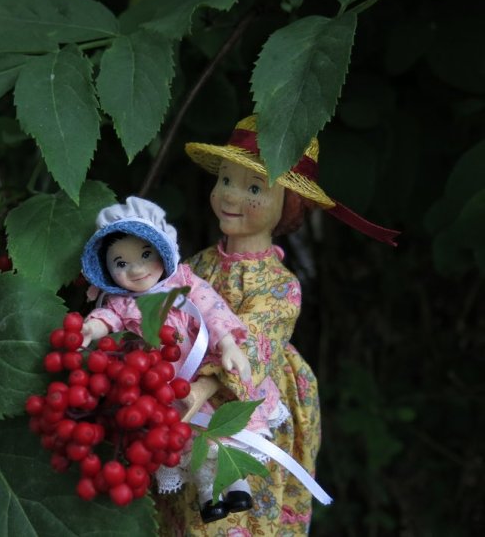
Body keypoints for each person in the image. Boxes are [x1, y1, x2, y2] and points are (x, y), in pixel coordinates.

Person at [156, 114, 398, 535]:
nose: (231, 196)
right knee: (182, 502)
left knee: (238, 497)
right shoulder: (197, 265)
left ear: (288, 204)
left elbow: (255, 339)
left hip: (248, 394)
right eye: (226, 181)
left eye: (253, 188)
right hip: (185, 388)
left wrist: (206, 384)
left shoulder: (280, 286)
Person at [80, 196, 288, 523]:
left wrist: (228, 343)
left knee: (225, 430)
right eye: (120, 264)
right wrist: (90, 328)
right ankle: (208, 496)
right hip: (161, 385)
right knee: (192, 444)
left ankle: (237, 484)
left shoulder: (185, 282)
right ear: (107, 271)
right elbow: (107, 318)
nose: (136, 269)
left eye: (145, 255)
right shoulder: (123, 303)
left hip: (198, 368)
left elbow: (212, 307)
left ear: (163, 250)